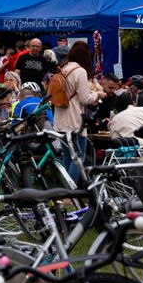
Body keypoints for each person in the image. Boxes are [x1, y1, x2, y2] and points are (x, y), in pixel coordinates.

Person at [53, 41, 99, 182]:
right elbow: (85, 99)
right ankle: (70, 191)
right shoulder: (80, 71)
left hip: (60, 121)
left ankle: (64, 189)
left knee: (67, 158)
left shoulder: (62, 69)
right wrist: (97, 94)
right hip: (75, 122)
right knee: (79, 158)